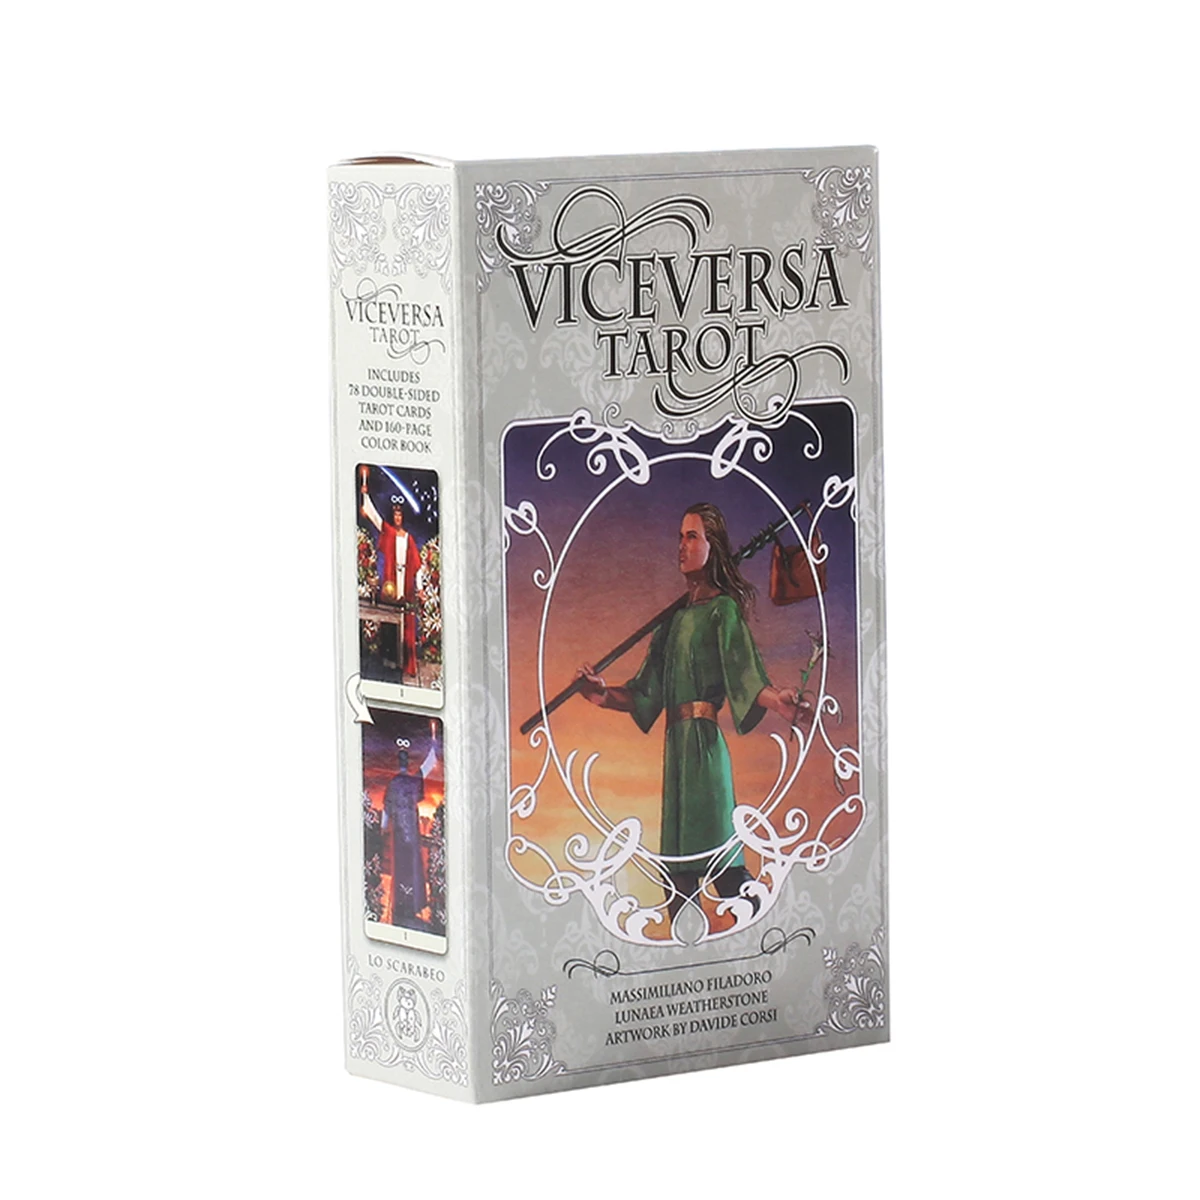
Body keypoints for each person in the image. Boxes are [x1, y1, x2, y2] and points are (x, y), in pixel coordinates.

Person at [575, 503, 809, 923]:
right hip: (676, 754)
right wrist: (601, 694)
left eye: (692, 536)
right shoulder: (670, 622)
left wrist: (778, 700)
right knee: (678, 878)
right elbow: (645, 692)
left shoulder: (723, 611)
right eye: (679, 537)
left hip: (704, 751)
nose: (681, 546)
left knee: (724, 865)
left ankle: (763, 930)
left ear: (713, 546)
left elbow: (744, 674)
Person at [360, 469, 421, 677]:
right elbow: (375, 518)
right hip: (391, 583)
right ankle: (390, 662)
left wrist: (419, 588)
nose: (397, 517)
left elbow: (417, 565)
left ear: (403, 517)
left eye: (399, 514)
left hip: (406, 584)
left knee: (406, 622)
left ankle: (407, 664)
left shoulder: (409, 538)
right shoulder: (389, 532)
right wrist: (365, 495)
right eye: (394, 514)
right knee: (389, 620)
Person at [382, 743, 427, 925]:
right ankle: (412, 905)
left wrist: (383, 827)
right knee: (412, 868)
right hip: (412, 834)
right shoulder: (413, 781)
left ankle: (402, 905)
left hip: (400, 835)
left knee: (401, 869)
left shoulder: (394, 783)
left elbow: (387, 808)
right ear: (407, 762)